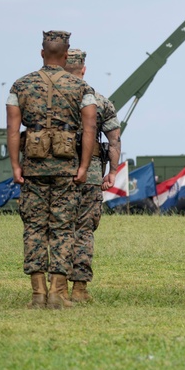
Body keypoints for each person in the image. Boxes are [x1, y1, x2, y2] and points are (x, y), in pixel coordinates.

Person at [7, 31, 97, 309]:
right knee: (63, 228)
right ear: (67, 55)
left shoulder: (20, 85)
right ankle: (58, 293)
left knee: (34, 228)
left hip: (32, 168)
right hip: (67, 168)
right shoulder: (82, 88)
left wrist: (15, 165)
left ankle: (37, 295)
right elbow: (90, 128)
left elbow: (12, 129)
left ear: (42, 53)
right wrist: (83, 166)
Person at [63, 48, 121, 304]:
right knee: (84, 231)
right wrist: (113, 172)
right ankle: (79, 289)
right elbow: (115, 140)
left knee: (58, 228)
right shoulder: (100, 100)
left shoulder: (51, 98)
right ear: (83, 69)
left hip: (57, 172)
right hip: (92, 175)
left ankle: (55, 287)